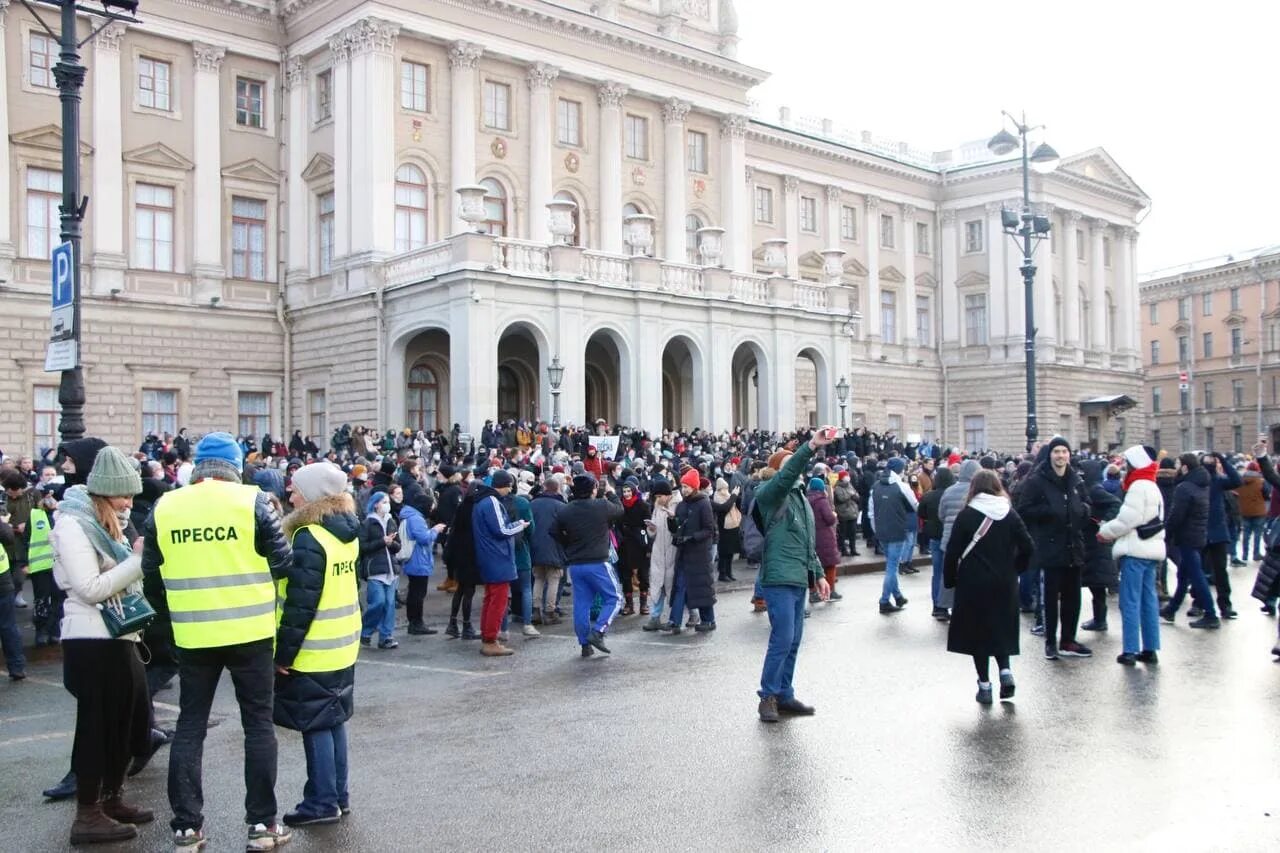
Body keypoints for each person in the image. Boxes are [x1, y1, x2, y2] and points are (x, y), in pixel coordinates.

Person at [142, 432, 294, 852]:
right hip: (251, 631)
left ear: (198, 465)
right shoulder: (254, 500)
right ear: (236, 465)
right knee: (258, 725)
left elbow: (151, 576)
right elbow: (284, 563)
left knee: (189, 728)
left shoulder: (166, 506)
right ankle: (263, 824)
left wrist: (173, 619)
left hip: (194, 633)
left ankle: (187, 828)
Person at [51, 446, 153, 844]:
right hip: (91, 640)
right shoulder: (73, 525)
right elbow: (90, 589)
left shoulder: (106, 523)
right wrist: (136, 561)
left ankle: (111, 798)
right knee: (96, 728)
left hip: (117, 637)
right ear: (103, 492)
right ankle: (88, 813)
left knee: (123, 725)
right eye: (123, 495)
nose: (130, 502)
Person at [274, 462, 361, 826]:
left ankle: (322, 802)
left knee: (315, 725)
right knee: (333, 720)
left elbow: (301, 602)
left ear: (311, 494)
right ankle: (337, 795)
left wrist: (284, 653)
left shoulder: (309, 536)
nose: (289, 494)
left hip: (314, 646)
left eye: (294, 488)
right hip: (342, 640)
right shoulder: (346, 529)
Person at [751, 429, 835, 723]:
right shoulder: (769, 494)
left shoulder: (800, 498)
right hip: (778, 576)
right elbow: (787, 476)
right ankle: (768, 697)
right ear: (777, 472)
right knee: (783, 637)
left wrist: (820, 575)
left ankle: (784, 693)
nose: (796, 470)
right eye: (790, 465)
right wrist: (811, 446)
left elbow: (808, 542)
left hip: (799, 575)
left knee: (795, 638)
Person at [943, 470, 1034, 705]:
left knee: (978, 635)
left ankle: (984, 686)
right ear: (997, 487)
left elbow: (952, 552)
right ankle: (1005, 671)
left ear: (973, 488)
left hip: (973, 582)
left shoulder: (967, 515)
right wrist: (1017, 569)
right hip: (1004, 581)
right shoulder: (1010, 514)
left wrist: (950, 579)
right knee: (1001, 629)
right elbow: (1028, 547)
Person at [1014, 437, 1093, 660]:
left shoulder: (1075, 479)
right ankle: (1050, 641)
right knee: (1050, 598)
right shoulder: (1037, 480)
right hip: (1049, 546)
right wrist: (1050, 512)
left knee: (1073, 597)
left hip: (1073, 545)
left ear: (1069, 455)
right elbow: (1024, 509)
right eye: (1057, 452)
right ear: (1050, 455)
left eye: (1064, 452)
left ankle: (1068, 639)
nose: (1061, 456)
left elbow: (1087, 503)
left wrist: (1082, 511)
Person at [1097, 446, 1166, 665]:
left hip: (1135, 549)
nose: (1125, 468)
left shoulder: (1137, 486)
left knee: (1130, 601)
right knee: (1148, 600)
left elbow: (1128, 520)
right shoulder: (1152, 485)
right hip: (1151, 550)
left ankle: (1130, 649)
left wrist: (1105, 531)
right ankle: (1150, 648)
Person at [554, 475, 623, 657]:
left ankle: (584, 644)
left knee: (581, 605)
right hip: (598, 562)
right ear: (593, 489)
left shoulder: (565, 510)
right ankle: (598, 631)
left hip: (576, 564)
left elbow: (553, 531)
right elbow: (619, 510)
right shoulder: (600, 505)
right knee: (614, 598)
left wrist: (568, 544)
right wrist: (610, 491)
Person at [466, 469, 528, 656]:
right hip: (497, 557)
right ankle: (491, 639)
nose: (510, 491)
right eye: (509, 487)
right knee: (498, 600)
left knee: (490, 598)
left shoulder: (481, 501)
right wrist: (519, 525)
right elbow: (501, 530)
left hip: (489, 556)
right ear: (503, 485)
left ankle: (488, 636)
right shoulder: (491, 502)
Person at [1160, 453, 1220, 629]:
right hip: (1198, 534)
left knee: (1196, 575)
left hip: (1186, 536)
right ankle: (1171, 609)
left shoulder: (1184, 487)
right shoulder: (1201, 484)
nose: (1177, 468)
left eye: (1179, 464)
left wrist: (1167, 533)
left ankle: (1211, 614)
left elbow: (1176, 515)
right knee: (1184, 575)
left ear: (1185, 467)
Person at [668, 471, 717, 633]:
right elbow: (676, 528)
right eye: (682, 486)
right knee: (681, 585)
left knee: (702, 587)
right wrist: (671, 521)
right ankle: (674, 621)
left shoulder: (704, 503)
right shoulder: (682, 505)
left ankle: (709, 620)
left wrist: (692, 538)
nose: (684, 489)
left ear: (694, 487)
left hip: (699, 553)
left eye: (686, 486)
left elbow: (709, 529)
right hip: (684, 552)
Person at [869, 457, 918, 614]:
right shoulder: (902, 486)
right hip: (897, 530)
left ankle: (897, 596)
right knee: (892, 567)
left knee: (891, 564)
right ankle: (884, 601)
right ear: (900, 470)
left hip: (881, 531)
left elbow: (871, 512)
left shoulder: (875, 486)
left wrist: (876, 530)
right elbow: (914, 505)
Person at [1079, 459, 1121, 632]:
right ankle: (1099, 619)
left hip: (1096, 541)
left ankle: (1100, 620)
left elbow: (1116, 503)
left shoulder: (1095, 489)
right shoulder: (1090, 487)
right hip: (1092, 540)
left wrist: (1104, 521)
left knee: (1097, 584)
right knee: (1095, 583)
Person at [1199, 452, 1242, 618]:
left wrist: (1222, 460)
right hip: (1202, 530)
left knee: (1220, 571)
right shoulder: (1198, 481)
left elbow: (1237, 480)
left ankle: (1225, 605)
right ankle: (1199, 602)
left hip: (1216, 532)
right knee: (1199, 570)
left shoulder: (1218, 480)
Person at [359, 491, 402, 648]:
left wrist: (391, 544)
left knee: (390, 604)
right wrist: (381, 542)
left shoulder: (391, 521)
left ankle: (386, 637)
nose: (387, 504)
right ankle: (366, 630)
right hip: (375, 570)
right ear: (376, 504)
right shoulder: (368, 523)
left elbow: (398, 546)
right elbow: (362, 547)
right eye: (384, 501)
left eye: (387, 501)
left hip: (391, 570)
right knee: (378, 602)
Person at [398, 492, 443, 636]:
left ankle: (414, 622)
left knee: (414, 592)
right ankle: (416, 623)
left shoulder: (410, 516)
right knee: (418, 594)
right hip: (418, 559)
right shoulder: (416, 519)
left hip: (414, 560)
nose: (431, 509)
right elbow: (424, 538)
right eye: (430, 506)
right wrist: (435, 530)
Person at [529, 474, 567, 625]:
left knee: (538, 578)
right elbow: (566, 530)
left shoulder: (533, 504)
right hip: (554, 547)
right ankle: (550, 612)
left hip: (535, 546)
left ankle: (536, 611)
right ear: (557, 489)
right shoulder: (561, 506)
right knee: (554, 579)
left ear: (544, 488)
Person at [642, 479, 679, 631]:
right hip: (659, 554)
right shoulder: (657, 507)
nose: (657, 500)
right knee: (658, 585)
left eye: (659, 496)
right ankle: (655, 617)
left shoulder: (678, 505)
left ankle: (686, 615)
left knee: (676, 587)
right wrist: (651, 529)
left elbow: (678, 528)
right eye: (656, 497)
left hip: (672, 552)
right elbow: (654, 533)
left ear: (667, 495)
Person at [806, 477, 843, 602]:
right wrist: (834, 515)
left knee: (812, 565)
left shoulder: (805, 499)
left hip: (811, 535)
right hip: (824, 536)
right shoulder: (822, 500)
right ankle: (831, 590)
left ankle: (813, 592)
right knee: (830, 564)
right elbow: (829, 519)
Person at [712, 478, 742, 583]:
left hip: (732, 526)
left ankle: (729, 572)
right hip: (723, 527)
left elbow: (735, 504)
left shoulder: (728, 496)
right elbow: (725, 507)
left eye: (726, 488)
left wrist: (736, 495)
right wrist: (734, 496)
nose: (725, 491)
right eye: (723, 488)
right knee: (724, 552)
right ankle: (722, 573)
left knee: (730, 551)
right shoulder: (717, 497)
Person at [833, 471, 861, 557]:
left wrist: (853, 495)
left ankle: (853, 549)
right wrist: (851, 495)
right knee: (843, 533)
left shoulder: (850, 485)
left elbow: (856, 495)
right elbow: (841, 498)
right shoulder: (837, 487)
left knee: (852, 532)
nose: (848, 477)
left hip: (852, 512)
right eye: (846, 476)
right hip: (843, 513)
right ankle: (844, 550)